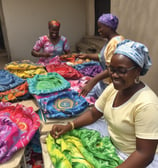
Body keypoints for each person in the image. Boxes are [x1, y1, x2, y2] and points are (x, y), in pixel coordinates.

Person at [51, 39, 158, 168]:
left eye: (122, 70)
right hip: (113, 140)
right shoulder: (113, 88)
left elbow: (144, 154)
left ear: (137, 71)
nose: (114, 75)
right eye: (111, 70)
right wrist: (69, 126)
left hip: (132, 157)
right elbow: (93, 114)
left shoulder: (147, 104)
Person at [76, 13, 124, 98]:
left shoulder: (115, 43)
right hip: (104, 82)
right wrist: (87, 56)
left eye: (100, 27)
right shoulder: (109, 41)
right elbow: (102, 57)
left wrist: (93, 81)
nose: (99, 30)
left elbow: (112, 68)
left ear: (109, 27)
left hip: (111, 85)